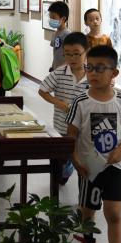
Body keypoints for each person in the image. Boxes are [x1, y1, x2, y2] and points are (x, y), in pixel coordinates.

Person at [67, 44, 121, 243]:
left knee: (113, 213)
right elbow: (71, 135)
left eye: (100, 69)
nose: (93, 73)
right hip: (89, 168)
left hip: (114, 167)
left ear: (114, 73)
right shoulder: (80, 101)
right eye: (90, 68)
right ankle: (88, 242)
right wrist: (76, 160)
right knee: (88, 211)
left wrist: (120, 150)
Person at [39, 32, 89, 184]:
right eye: (67, 54)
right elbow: (42, 90)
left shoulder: (93, 75)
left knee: (82, 158)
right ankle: (64, 172)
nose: (72, 58)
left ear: (86, 52)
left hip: (84, 128)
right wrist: (59, 103)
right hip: (62, 125)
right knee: (62, 158)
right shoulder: (59, 73)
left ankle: (79, 177)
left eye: (76, 54)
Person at [47, 1, 71, 71]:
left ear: (63, 19)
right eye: (50, 17)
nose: (51, 19)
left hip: (64, 70)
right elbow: (56, 53)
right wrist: (53, 66)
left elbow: (70, 56)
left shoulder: (68, 34)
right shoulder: (55, 34)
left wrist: (61, 69)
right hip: (56, 69)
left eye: (53, 17)